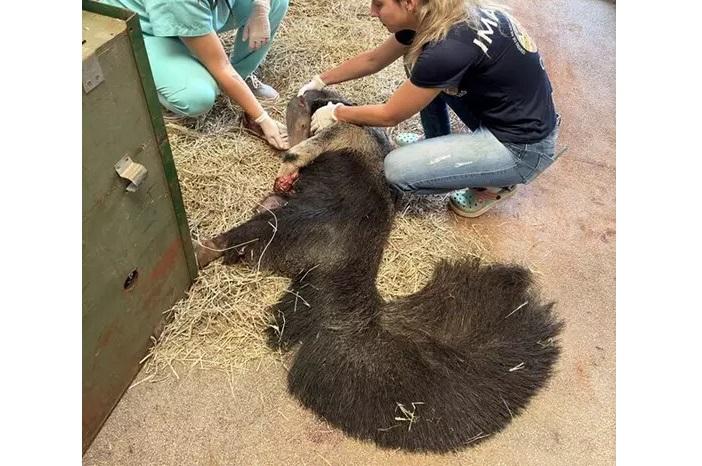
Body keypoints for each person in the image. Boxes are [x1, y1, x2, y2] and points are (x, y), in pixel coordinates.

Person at [298, 0, 561, 217]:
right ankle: (437, 142)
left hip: (522, 147)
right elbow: (374, 59)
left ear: (410, 4)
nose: (372, 12)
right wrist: (321, 80)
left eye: (379, 5)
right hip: (506, 111)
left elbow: (391, 114)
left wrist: (336, 112)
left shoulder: (448, 50)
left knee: (396, 170)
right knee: (418, 66)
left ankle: (495, 184)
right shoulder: (440, 14)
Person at [101, 0, 289, 150]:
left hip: (189, 11)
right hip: (144, 25)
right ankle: (172, 68)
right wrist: (262, 118)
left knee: (277, 2)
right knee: (196, 97)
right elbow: (221, 66)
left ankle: (238, 77)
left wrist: (260, 9)